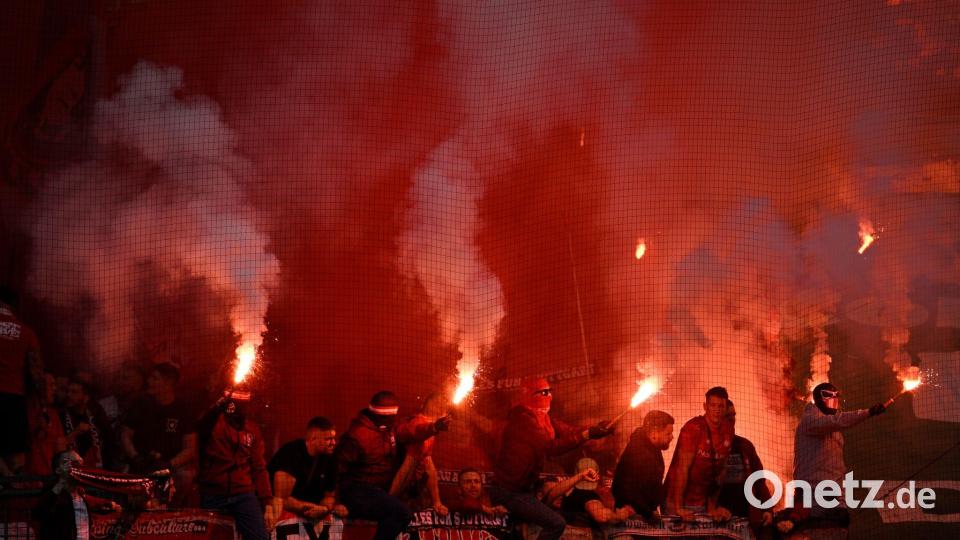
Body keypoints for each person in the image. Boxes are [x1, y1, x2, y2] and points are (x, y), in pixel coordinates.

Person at [489, 377, 614, 540]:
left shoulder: (543, 418)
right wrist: (587, 434)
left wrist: (597, 428)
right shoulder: (523, 419)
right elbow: (550, 448)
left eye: (549, 392)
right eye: (544, 392)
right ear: (530, 394)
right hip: (509, 491)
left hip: (523, 491)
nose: (549, 396)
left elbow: (568, 431)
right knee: (556, 523)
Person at [776, 383, 886, 539]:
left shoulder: (835, 432)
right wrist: (868, 412)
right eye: (828, 395)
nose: (834, 399)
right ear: (819, 399)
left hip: (833, 500)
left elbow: (838, 468)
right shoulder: (810, 422)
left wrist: (841, 500)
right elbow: (837, 421)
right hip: (810, 497)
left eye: (836, 396)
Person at [336, 390, 450, 540]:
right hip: (356, 490)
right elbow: (337, 469)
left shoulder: (391, 429)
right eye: (387, 416)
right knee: (401, 513)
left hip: (378, 491)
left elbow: (411, 431)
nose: (391, 419)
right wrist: (334, 500)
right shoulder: (357, 435)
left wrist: (433, 427)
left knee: (401, 513)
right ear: (377, 414)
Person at [197, 390, 272, 540]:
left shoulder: (252, 429)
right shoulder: (214, 423)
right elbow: (201, 426)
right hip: (213, 493)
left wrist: (267, 501)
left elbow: (259, 467)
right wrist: (217, 406)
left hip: (243, 494)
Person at [121, 362, 196, 503]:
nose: (149, 381)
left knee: (186, 475)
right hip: (141, 463)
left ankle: (173, 511)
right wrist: (135, 457)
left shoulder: (183, 409)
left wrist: (169, 464)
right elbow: (125, 435)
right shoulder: (141, 403)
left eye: (155, 378)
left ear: (168, 384)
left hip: (169, 467)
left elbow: (190, 448)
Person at [664, 386, 734, 522]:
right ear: (705, 406)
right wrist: (679, 508)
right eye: (712, 405)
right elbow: (682, 469)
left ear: (726, 408)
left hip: (702, 502)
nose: (717, 410)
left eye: (721, 406)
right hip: (677, 500)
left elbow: (721, 471)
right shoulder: (693, 429)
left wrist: (712, 507)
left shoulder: (728, 430)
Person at [268, 416, 346, 520]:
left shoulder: (331, 457)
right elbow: (281, 499)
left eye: (334, 438)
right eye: (328, 439)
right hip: (285, 511)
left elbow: (329, 496)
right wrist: (308, 507)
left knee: (337, 520)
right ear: (313, 438)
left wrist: (324, 508)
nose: (333, 443)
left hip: (313, 510)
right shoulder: (291, 453)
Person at [716, 400, 773, 532]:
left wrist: (767, 509)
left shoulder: (745, 445)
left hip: (746, 517)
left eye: (733, 415)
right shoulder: (706, 447)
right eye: (727, 416)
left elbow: (759, 481)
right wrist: (714, 508)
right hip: (717, 519)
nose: (732, 419)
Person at [0, 286, 39, 476]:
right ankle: (18, 497)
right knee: (17, 455)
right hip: (15, 397)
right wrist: (43, 406)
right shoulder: (27, 332)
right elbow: (36, 372)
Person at [389, 392, 449, 514]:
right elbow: (406, 466)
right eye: (436, 403)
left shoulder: (430, 434)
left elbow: (429, 464)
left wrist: (437, 501)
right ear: (424, 404)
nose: (439, 406)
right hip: (394, 487)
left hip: (408, 491)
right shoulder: (416, 422)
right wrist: (388, 499)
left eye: (442, 405)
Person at [612, 410, 674, 521]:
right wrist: (649, 514)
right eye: (668, 434)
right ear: (654, 433)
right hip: (632, 518)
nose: (672, 437)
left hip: (643, 515)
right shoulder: (640, 454)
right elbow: (628, 490)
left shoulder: (650, 446)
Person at [561, 458, 634, 526]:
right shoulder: (588, 495)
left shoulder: (569, 492)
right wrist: (620, 516)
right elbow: (601, 516)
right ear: (597, 475)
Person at [61, 378, 114, 469]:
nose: (69, 395)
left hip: (97, 469)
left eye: (74, 392)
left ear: (86, 397)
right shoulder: (62, 415)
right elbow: (59, 444)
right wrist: (75, 433)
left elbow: (108, 438)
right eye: (67, 391)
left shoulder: (96, 412)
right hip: (71, 469)